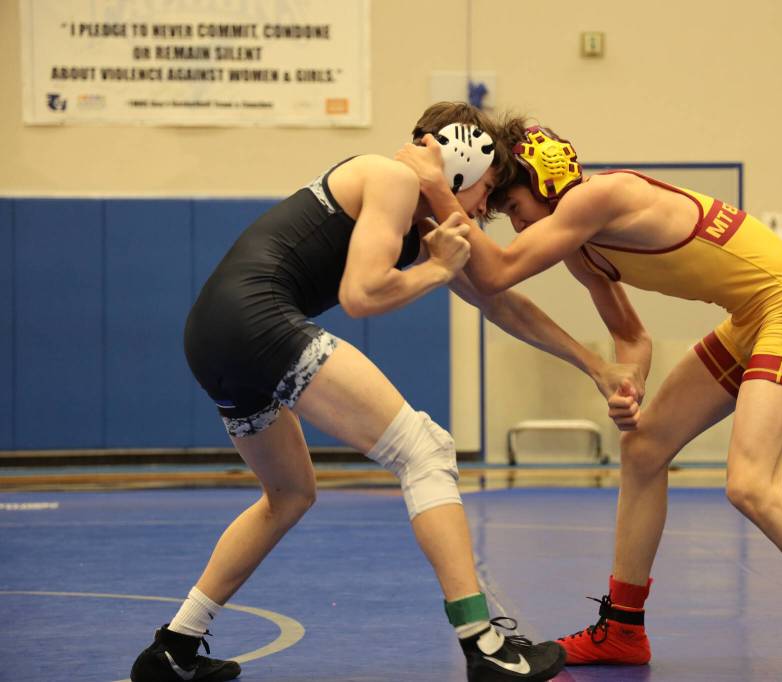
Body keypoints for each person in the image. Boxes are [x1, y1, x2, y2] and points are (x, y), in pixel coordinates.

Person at [129, 103, 640, 682]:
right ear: (459, 158)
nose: (481, 210)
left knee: (289, 493)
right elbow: (362, 294)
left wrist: (594, 364)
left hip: (213, 335)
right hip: (257, 320)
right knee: (426, 451)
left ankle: (174, 647)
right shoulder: (391, 178)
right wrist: (438, 270)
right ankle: (484, 644)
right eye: (487, 190)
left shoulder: (419, 223)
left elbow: (499, 302)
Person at [397, 119, 782, 682]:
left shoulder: (598, 197)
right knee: (643, 449)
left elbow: (495, 273)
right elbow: (632, 336)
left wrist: (436, 189)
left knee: (751, 484)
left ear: (544, 184)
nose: (516, 223)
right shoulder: (584, 248)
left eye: (516, 206)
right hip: (752, 321)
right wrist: (630, 384)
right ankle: (622, 628)